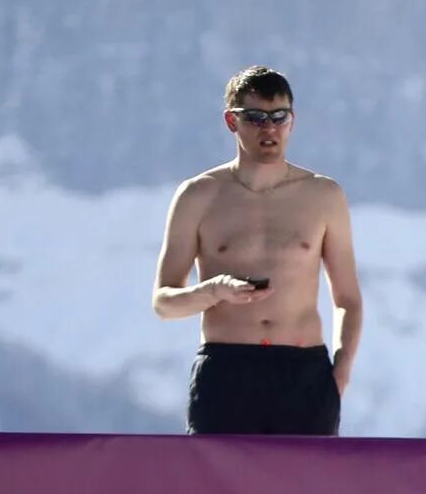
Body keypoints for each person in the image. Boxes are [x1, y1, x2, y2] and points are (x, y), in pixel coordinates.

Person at [151, 66, 363, 434]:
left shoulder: (323, 195)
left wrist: (340, 372)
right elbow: (164, 302)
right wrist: (214, 290)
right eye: (256, 118)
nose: (270, 129)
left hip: (304, 370)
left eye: (279, 117)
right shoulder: (198, 195)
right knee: (217, 489)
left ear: (292, 121)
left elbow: (348, 298)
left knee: (306, 490)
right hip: (227, 368)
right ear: (232, 122)